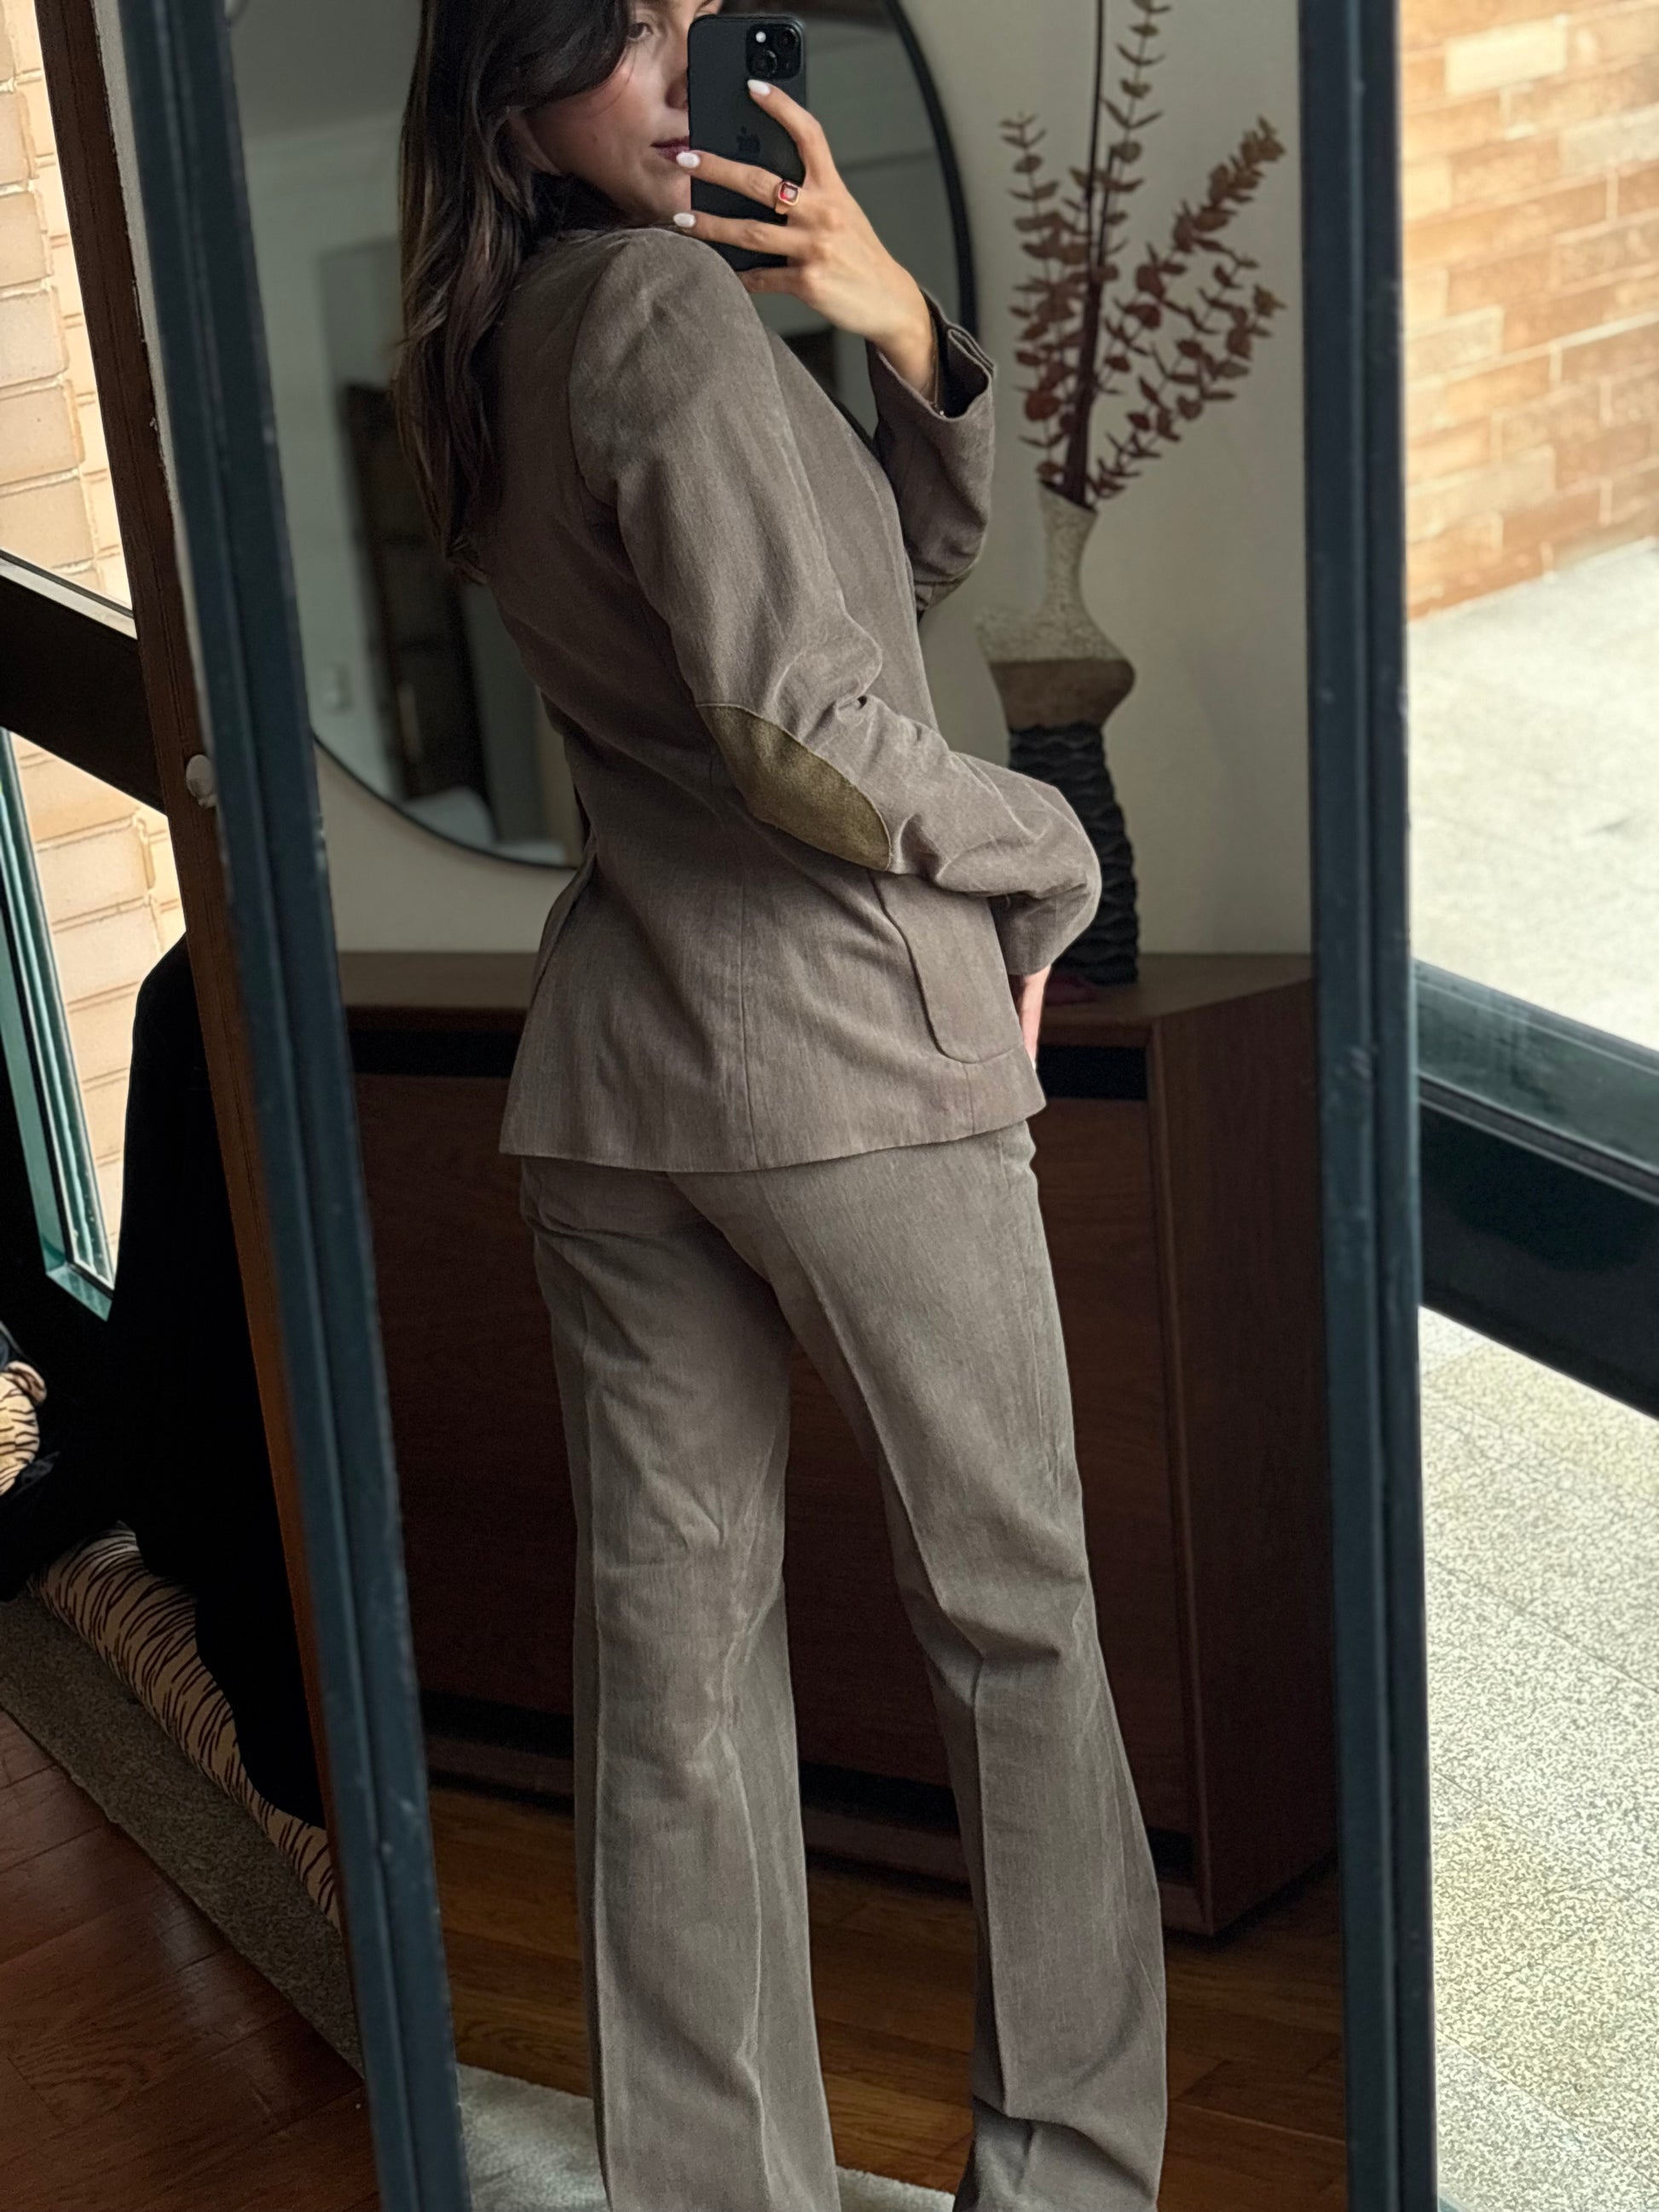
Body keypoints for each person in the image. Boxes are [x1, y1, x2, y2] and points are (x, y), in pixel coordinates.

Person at [391, 4, 1167, 2207]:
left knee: (675, 1673)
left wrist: (901, 337)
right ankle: (1068, 2180)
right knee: (1016, 1625)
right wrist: (1051, 848)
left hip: (621, 1082)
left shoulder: (497, 337)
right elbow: (809, 724)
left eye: (693, 20)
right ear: (515, 78)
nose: (677, 74)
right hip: (843, 1063)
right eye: (622, 33)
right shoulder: (655, 305)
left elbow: (857, 600)